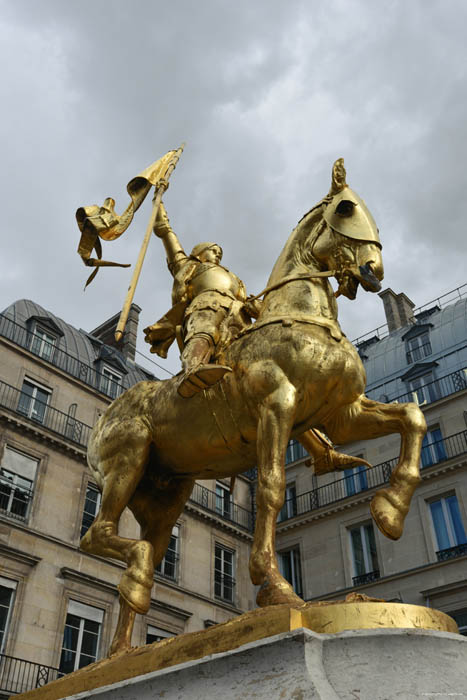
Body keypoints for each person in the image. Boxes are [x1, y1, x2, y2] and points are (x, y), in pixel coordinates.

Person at [144, 204, 258, 398]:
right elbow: (166, 234)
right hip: (206, 306)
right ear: (199, 253)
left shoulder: (234, 278)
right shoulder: (192, 266)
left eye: (219, 253)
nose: (218, 255)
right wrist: (160, 210)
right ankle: (194, 369)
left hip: (238, 313)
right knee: (206, 330)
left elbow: (246, 298)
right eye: (213, 251)